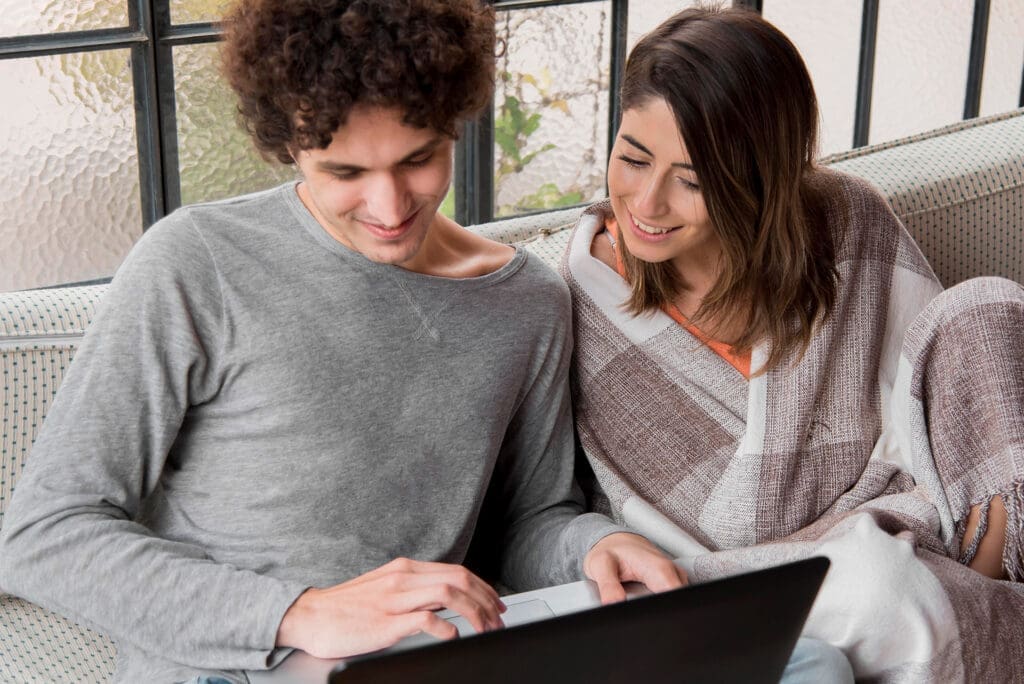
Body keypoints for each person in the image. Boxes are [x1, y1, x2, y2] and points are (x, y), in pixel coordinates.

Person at [0, 2, 690, 682]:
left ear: (456, 122)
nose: (389, 209)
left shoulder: (527, 305)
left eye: (418, 160)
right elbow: (43, 536)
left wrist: (595, 544)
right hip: (218, 669)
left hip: (416, 663)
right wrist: (298, 613)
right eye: (344, 173)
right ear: (290, 144)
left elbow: (529, 520)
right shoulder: (198, 261)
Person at [560, 6, 1024, 683]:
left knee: (988, 306)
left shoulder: (845, 221)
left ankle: (974, 609)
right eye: (632, 158)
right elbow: (691, 524)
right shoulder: (578, 298)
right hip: (750, 582)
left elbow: (926, 425)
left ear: (760, 178)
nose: (647, 203)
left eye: (692, 180)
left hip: (922, 537)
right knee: (877, 587)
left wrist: (933, 555)